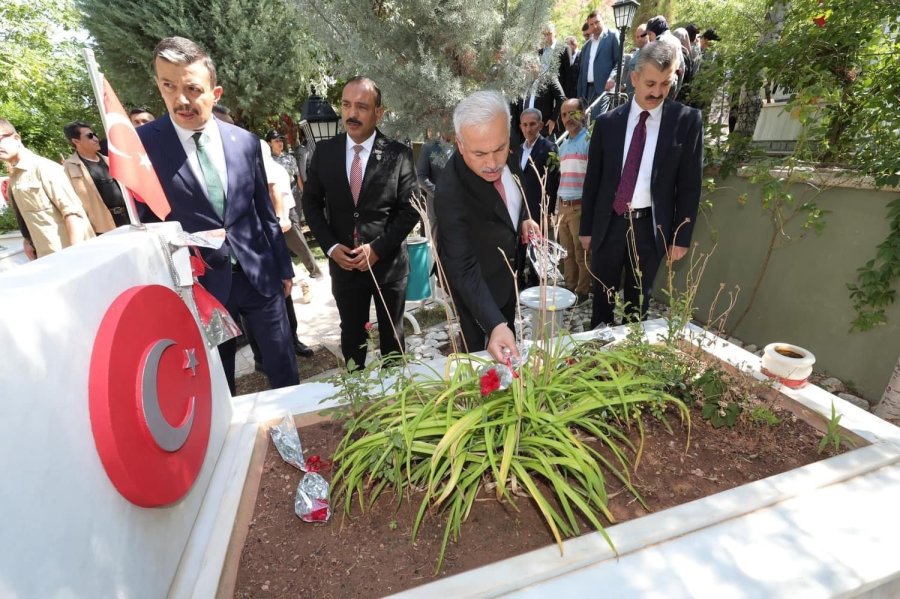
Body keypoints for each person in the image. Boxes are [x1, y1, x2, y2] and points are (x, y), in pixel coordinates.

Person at [136, 36, 298, 394]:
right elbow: (144, 226)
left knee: (283, 367)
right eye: (168, 86)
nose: (181, 100)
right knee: (217, 383)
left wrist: (283, 267)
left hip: (259, 277)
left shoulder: (245, 142)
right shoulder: (142, 146)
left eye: (192, 89)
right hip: (200, 288)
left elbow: (263, 210)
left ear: (215, 92)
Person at [579, 41, 703, 328]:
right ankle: (598, 349)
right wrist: (586, 228)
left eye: (665, 84)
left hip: (649, 228)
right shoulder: (607, 123)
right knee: (602, 298)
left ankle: (631, 351)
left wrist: (680, 236)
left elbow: (689, 185)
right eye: (650, 83)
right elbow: (593, 181)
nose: (657, 92)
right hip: (609, 224)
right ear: (634, 78)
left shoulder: (686, 121)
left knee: (638, 305)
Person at [301, 76, 419, 369]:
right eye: (346, 105)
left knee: (392, 340)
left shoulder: (397, 154)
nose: (352, 114)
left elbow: (410, 210)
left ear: (378, 112)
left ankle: (396, 393)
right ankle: (357, 391)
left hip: (388, 266)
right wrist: (330, 247)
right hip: (344, 266)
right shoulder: (325, 153)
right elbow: (310, 204)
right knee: (352, 339)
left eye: (362, 107)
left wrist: (377, 248)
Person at [434, 91, 540, 362]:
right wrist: (493, 324)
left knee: (508, 335)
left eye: (499, 150)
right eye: (480, 154)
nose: (493, 164)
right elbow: (462, 267)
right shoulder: (449, 192)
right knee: (481, 356)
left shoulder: (503, 139)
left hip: (508, 274)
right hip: (477, 287)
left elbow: (517, 184)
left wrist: (524, 217)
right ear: (460, 144)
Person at [0, 118, 92, 260]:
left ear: (16, 138)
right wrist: (27, 240)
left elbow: (74, 215)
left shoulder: (44, 168)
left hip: (70, 256)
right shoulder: (14, 178)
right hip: (47, 258)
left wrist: (74, 256)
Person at [265, 130, 322, 279]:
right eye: (276, 141)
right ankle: (291, 269)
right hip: (274, 200)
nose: (280, 143)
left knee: (295, 232)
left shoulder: (289, 158)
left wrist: (304, 196)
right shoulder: (267, 161)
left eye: (281, 140)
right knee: (285, 236)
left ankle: (314, 270)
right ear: (269, 143)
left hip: (291, 196)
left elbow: (298, 179)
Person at [62, 121, 130, 233]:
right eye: (89, 136)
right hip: (102, 227)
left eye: (94, 135)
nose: (95, 139)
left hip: (128, 219)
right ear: (76, 141)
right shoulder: (69, 167)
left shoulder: (111, 160)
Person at [555, 98, 592, 304]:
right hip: (563, 206)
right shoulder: (564, 146)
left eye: (572, 113)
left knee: (581, 253)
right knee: (566, 252)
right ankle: (570, 288)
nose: (568, 118)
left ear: (583, 114)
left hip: (579, 206)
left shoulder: (589, 141)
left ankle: (582, 291)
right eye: (564, 114)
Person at [576, 10, 621, 118]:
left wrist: (612, 77)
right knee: (583, 121)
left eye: (597, 22)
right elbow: (582, 72)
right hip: (586, 91)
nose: (595, 26)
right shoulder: (586, 46)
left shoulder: (612, 35)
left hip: (603, 89)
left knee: (596, 121)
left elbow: (620, 61)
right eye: (591, 24)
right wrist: (579, 95)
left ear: (602, 21)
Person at [623, 24, 648, 96]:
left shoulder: (651, 53)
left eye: (642, 36)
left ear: (648, 35)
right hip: (629, 95)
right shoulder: (636, 53)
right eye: (637, 37)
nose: (639, 39)